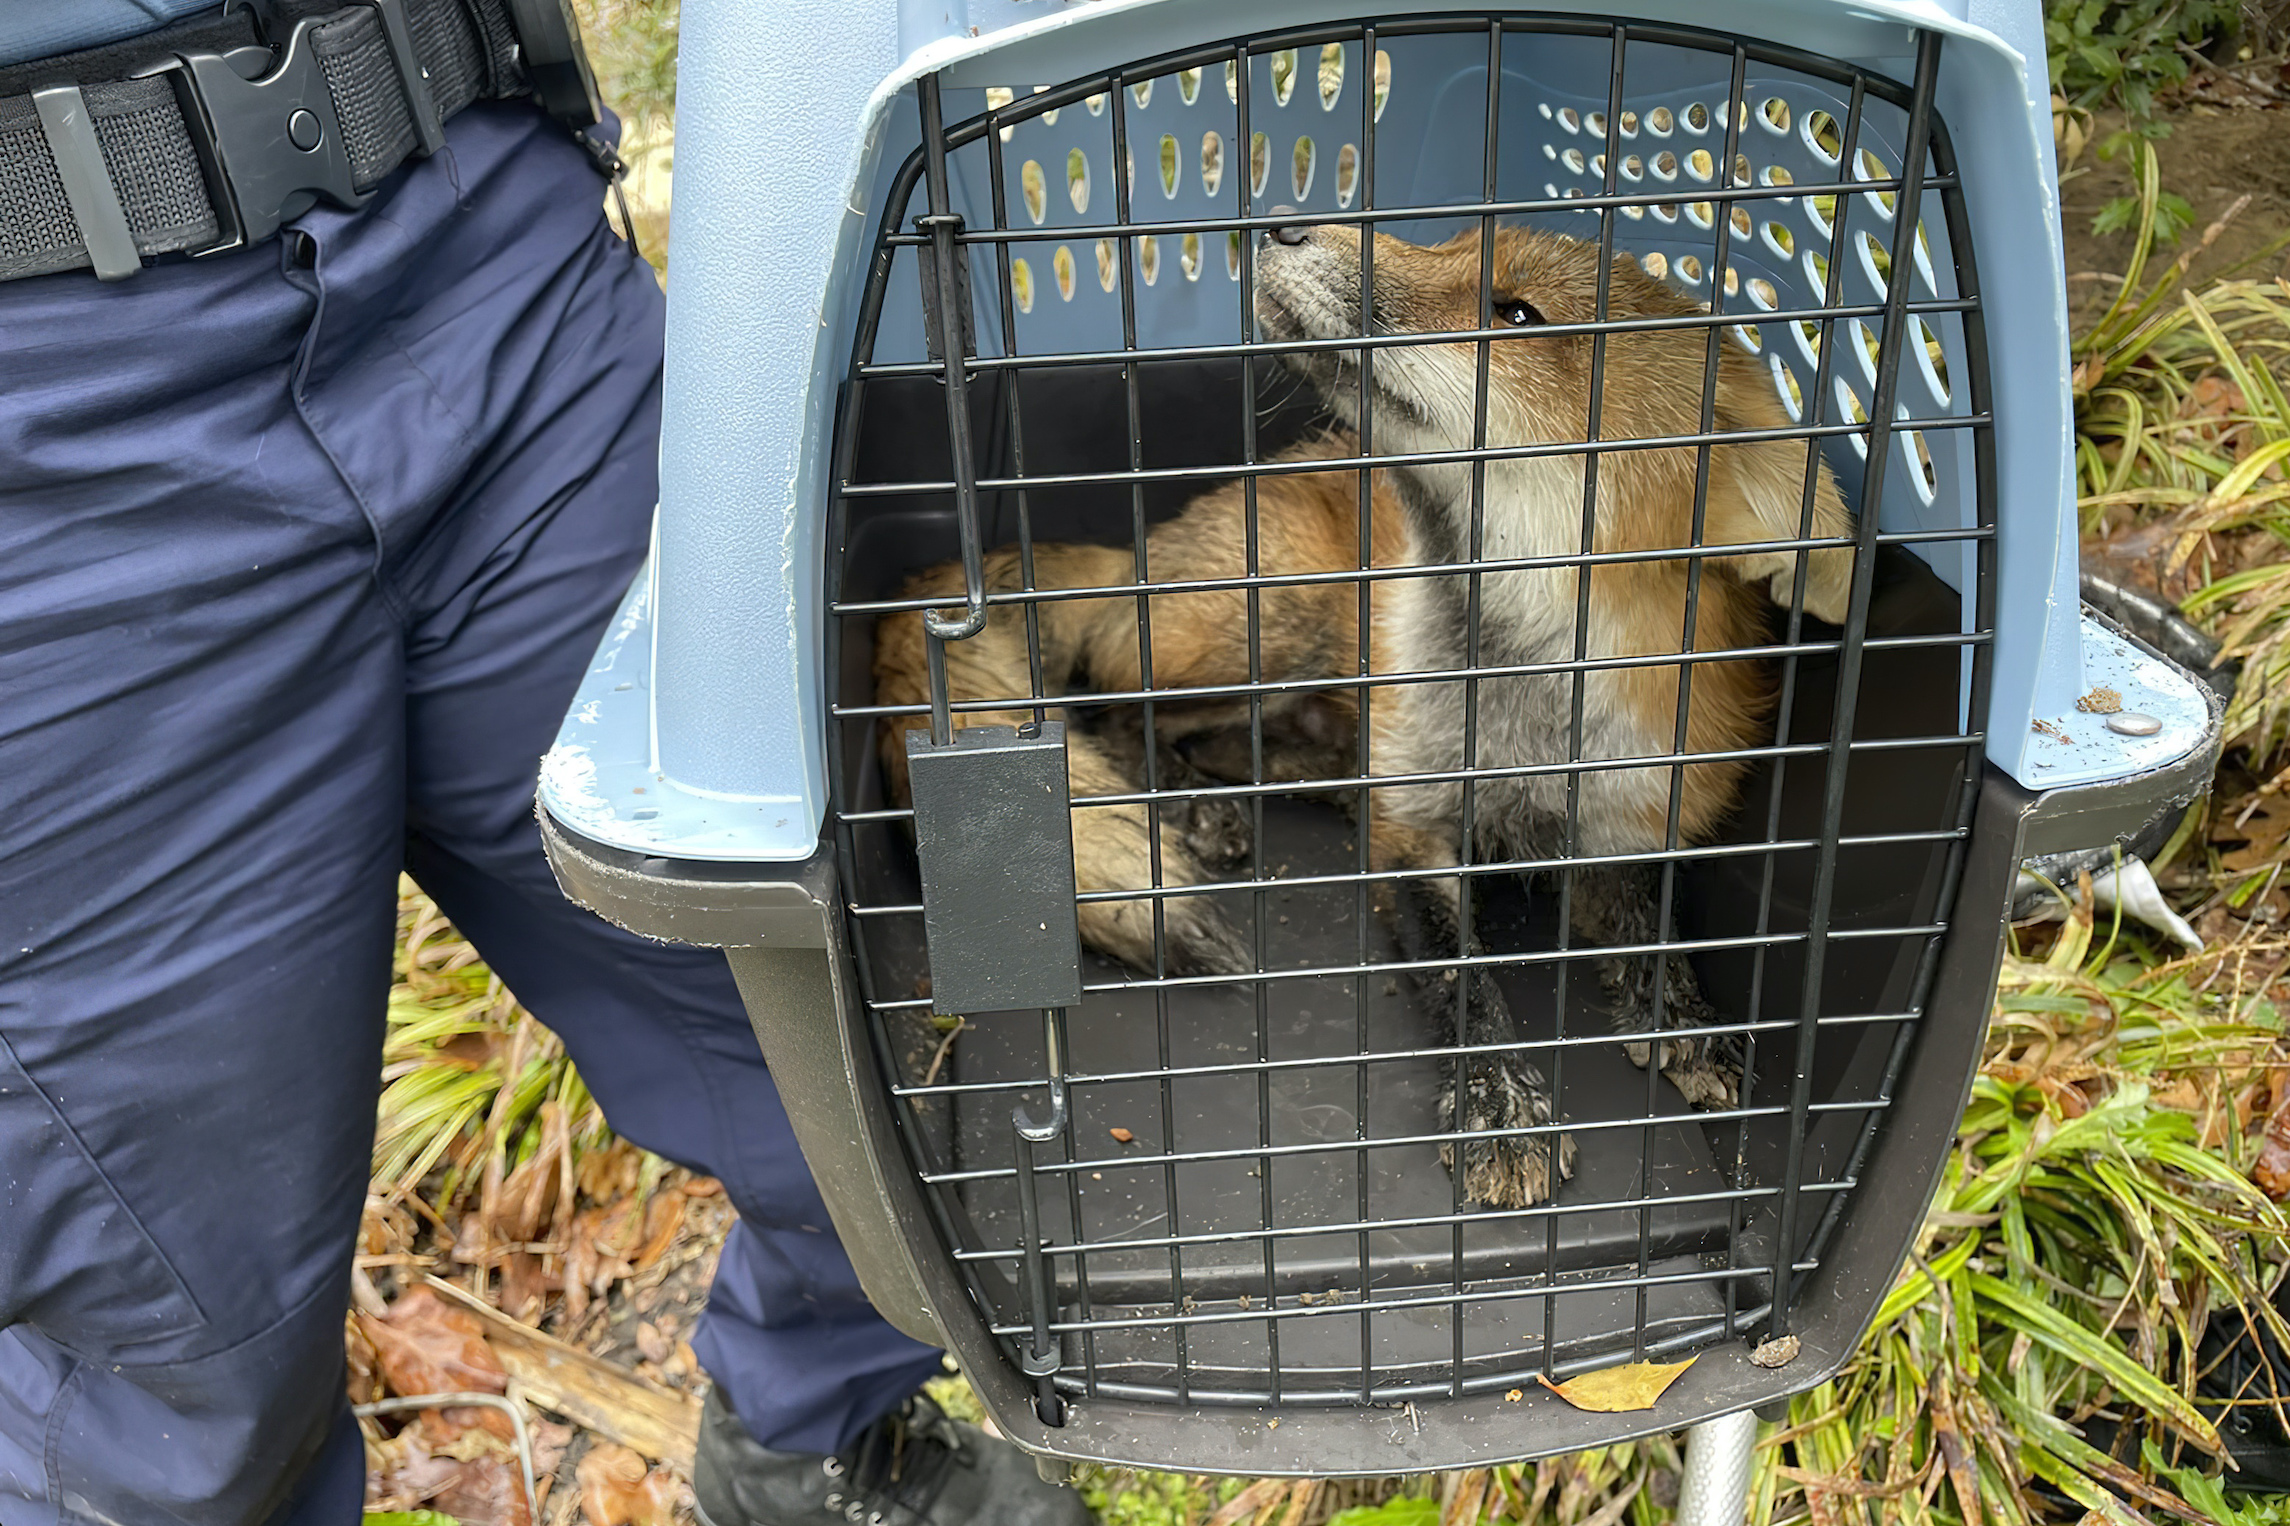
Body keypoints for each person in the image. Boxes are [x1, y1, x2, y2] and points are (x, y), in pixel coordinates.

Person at [0, 2, 1090, 1522]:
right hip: (46, 450)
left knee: (920, 1010)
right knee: (185, 1366)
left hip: (476, 222)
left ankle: (810, 1435)